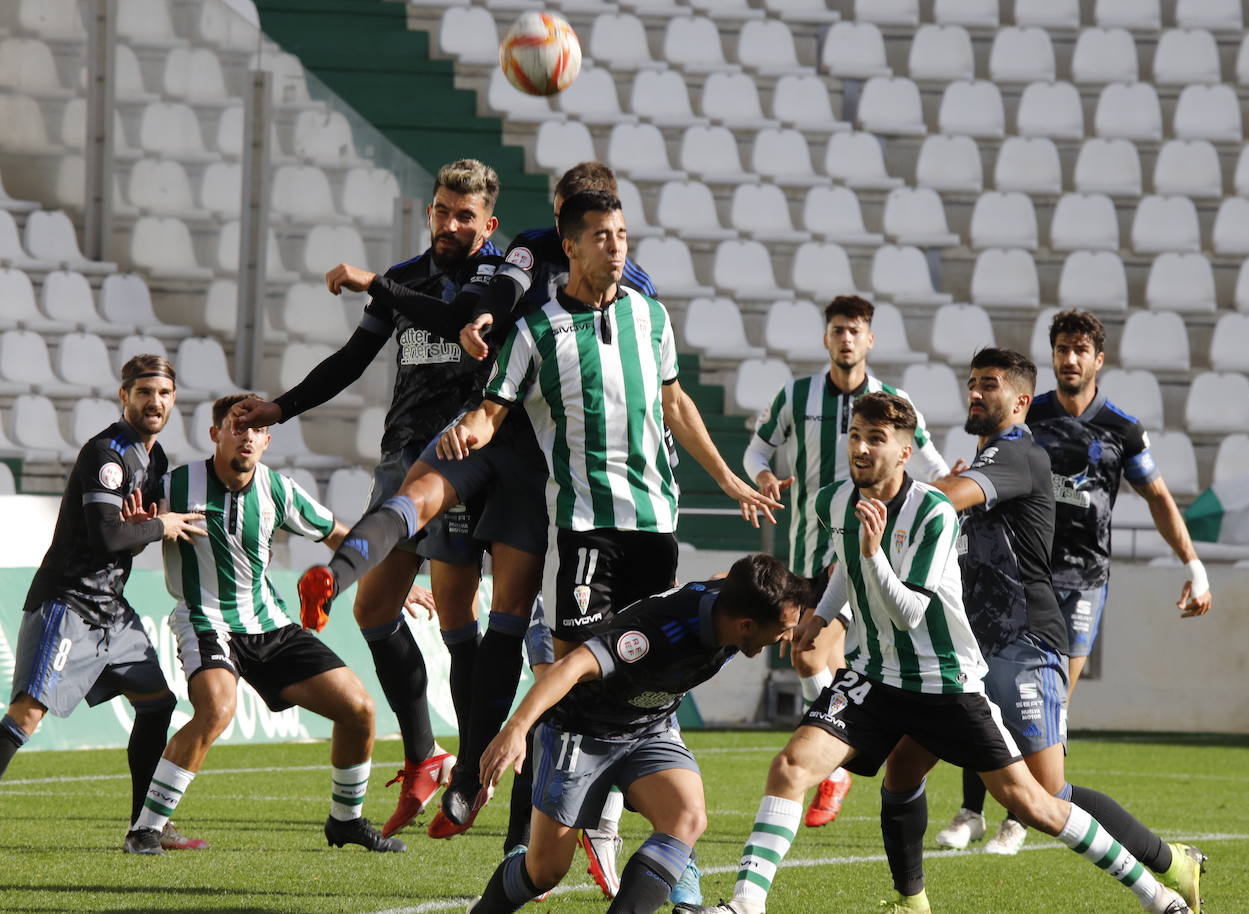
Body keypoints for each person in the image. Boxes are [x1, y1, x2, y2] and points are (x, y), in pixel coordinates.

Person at [294, 191, 781, 847]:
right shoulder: (522, 282)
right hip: (540, 486)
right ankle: (485, 788)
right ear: (568, 235)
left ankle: (536, 803)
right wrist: (466, 402)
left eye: (621, 234)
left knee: (575, 657)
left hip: (606, 504)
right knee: (506, 629)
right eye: (600, 234)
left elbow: (670, 400)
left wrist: (726, 479)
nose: (615, 245)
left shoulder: (642, 312)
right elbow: (475, 327)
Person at [674, 392, 1192, 914]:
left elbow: (908, 612)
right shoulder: (833, 500)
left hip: (945, 683)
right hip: (876, 677)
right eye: (855, 435)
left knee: (1033, 803)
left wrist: (874, 555)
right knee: (790, 766)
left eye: (877, 439)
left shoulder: (934, 511)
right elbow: (844, 566)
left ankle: (1157, 895)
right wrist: (823, 615)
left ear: (905, 452)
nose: (861, 447)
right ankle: (746, 905)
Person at [229, 159, 504, 836]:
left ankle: (471, 771)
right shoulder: (406, 278)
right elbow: (354, 358)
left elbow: (459, 319)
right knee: (374, 608)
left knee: (455, 610)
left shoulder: (501, 281)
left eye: (463, 215)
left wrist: (373, 282)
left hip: (460, 461)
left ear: (487, 223)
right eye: (441, 210)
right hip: (400, 455)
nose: (449, 223)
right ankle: (424, 757)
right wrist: (282, 408)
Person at [923, 350, 1203, 911]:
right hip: (979, 641)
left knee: (1047, 797)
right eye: (971, 383)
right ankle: (914, 892)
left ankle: (1173, 864)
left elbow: (947, 501)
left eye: (989, 386)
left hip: (1025, 642)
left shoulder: (1017, 452)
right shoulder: (989, 454)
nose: (974, 393)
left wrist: (890, 491)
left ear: (1022, 401)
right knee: (906, 756)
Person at [123, 394, 436, 854]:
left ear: (267, 439)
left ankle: (345, 821)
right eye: (236, 425)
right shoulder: (176, 484)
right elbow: (135, 533)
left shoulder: (279, 489)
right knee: (216, 710)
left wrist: (393, 581)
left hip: (271, 625)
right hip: (207, 622)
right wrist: (139, 532)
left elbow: (337, 533)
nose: (246, 436)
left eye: (255, 429)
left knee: (360, 709)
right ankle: (145, 829)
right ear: (215, 435)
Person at [468, 554, 804, 914]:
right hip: (584, 730)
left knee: (687, 818)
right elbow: (572, 666)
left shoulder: (734, 599)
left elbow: (726, 576)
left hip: (650, 728)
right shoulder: (655, 632)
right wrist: (517, 728)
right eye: (784, 627)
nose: (789, 635)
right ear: (747, 625)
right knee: (545, 871)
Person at [743, 294, 949, 828]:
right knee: (811, 657)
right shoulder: (796, 396)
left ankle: (841, 757)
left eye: (855, 330)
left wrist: (953, 484)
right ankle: (845, 756)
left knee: (819, 656)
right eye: (838, 329)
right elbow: (756, 450)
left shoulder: (893, 399)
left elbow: (927, 462)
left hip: (868, 557)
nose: (846, 339)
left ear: (869, 339)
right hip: (809, 556)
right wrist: (763, 475)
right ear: (826, 337)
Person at [0, 355, 208, 852]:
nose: (153, 402)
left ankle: (145, 829)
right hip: (68, 602)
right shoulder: (106, 455)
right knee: (26, 715)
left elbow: (128, 538)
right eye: (143, 392)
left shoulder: (154, 460)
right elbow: (109, 536)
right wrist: (158, 525)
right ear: (124, 397)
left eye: (162, 393)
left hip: (111, 609)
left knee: (158, 704)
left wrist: (145, 528)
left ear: (173, 400)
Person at [1026, 309, 1211, 700]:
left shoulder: (1122, 429)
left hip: (1084, 581)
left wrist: (1194, 566)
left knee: (1053, 700)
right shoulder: (1027, 417)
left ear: (1098, 360)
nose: (1070, 359)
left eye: (1080, 350)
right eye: (1062, 349)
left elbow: (1158, 496)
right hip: (1026, 573)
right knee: (1011, 697)